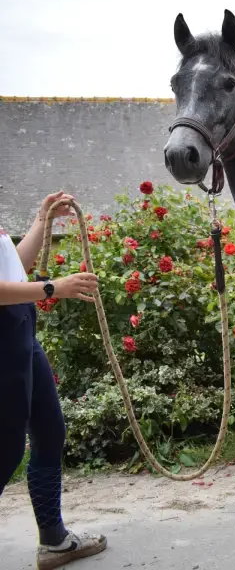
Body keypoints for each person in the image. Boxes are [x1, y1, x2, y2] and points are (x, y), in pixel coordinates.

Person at [0, 191, 108, 569]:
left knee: (49, 431)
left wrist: (41, 223)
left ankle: (55, 541)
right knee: (5, 450)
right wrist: (53, 288)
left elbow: (12, 268)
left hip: (20, 336)